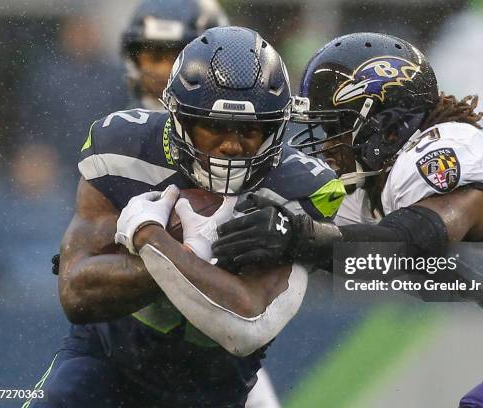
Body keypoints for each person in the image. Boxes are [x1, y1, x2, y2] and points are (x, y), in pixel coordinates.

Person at [212, 32, 483, 407]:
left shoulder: (440, 153)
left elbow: (411, 240)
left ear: (389, 126)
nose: (326, 145)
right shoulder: (376, 188)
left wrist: (297, 238)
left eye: (334, 126)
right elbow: (335, 240)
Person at [25, 26, 344, 408]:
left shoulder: (301, 185)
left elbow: (244, 323)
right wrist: (195, 257)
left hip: (213, 384)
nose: (230, 145)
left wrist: (152, 240)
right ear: (180, 119)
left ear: (276, 127)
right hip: (106, 364)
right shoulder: (123, 147)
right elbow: (76, 293)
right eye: (213, 127)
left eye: (250, 131)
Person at [121, 2, 280, 406]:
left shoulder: (263, 147)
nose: (157, 68)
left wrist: (298, 236)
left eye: (172, 54)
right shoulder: (121, 132)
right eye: (148, 54)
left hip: (220, 337)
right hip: (133, 335)